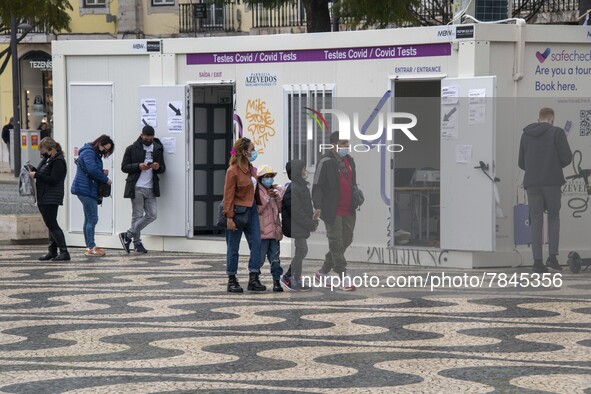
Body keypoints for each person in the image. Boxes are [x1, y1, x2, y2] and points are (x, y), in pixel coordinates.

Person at [518, 107, 572, 273]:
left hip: (532, 183)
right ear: (552, 119)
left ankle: (537, 262)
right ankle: (553, 257)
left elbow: (521, 162)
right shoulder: (557, 133)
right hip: (552, 182)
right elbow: (567, 158)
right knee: (554, 217)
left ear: (538, 118)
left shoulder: (526, 134)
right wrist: (553, 165)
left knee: (536, 220)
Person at [312, 131, 357, 291]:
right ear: (334, 144)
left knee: (346, 240)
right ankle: (343, 275)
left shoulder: (349, 160)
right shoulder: (325, 161)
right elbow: (317, 186)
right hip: (333, 210)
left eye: (347, 143)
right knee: (336, 242)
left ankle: (323, 271)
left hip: (349, 209)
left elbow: (353, 182)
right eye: (343, 143)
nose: (346, 147)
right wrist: (318, 206)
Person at [223, 137, 265, 293]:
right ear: (244, 152)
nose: (254, 152)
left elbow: (253, 189)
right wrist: (229, 217)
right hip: (237, 211)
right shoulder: (232, 170)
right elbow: (228, 195)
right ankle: (232, 279)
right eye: (252, 149)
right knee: (233, 247)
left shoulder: (251, 168)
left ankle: (254, 277)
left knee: (257, 243)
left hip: (252, 209)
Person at [118, 126, 166, 254]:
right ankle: (137, 243)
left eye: (150, 139)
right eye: (146, 139)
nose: (148, 141)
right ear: (141, 135)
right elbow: (124, 167)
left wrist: (157, 167)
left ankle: (127, 235)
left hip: (151, 187)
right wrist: (138, 166)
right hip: (137, 186)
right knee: (137, 216)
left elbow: (163, 168)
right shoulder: (131, 148)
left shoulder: (157, 148)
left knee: (152, 215)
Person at [71, 134, 114, 257]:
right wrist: (105, 179)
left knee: (89, 218)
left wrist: (101, 172)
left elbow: (92, 169)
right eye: (105, 149)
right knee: (93, 218)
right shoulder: (89, 152)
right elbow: (91, 170)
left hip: (86, 188)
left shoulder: (91, 152)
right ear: (99, 144)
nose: (105, 151)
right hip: (85, 189)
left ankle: (90, 245)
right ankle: (91, 247)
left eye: (107, 150)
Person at [29, 137, 69, 261]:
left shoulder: (58, 162)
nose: (42, 153)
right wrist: (33, 170)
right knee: (50, 224)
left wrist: (37, 175)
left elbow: (53, 179)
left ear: (51, 149)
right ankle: (52, 251)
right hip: (44, 195)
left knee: (52, 224)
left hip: (51, 197)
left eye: (44, 151)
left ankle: (64, 252)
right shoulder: (48, 159)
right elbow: (42, 173)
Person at [281, 159, 318, 291]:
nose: (305, 171)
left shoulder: (300, 186)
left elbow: (304, 208)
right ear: (297, 171)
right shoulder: (294, 188)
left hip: (300, 225)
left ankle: (295, 277)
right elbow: (296, 211)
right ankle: (290, 277)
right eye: (303, 169)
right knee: (301, 250)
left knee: (301, 250)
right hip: (296, 225)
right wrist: (309, 224)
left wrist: (312, 219)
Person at [255, 164, 285, 292]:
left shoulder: (275, 190)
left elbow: (280, 208)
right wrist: (267, 197)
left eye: (271, 177)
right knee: (259, 258)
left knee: (275, 259)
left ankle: (276, 281)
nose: (270, 179)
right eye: (267, 177)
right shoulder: (257, 191)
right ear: (261, 178)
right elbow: (258, 209)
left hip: (274, 231)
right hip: (262, 232)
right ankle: (255, 278)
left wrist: (277, 196)